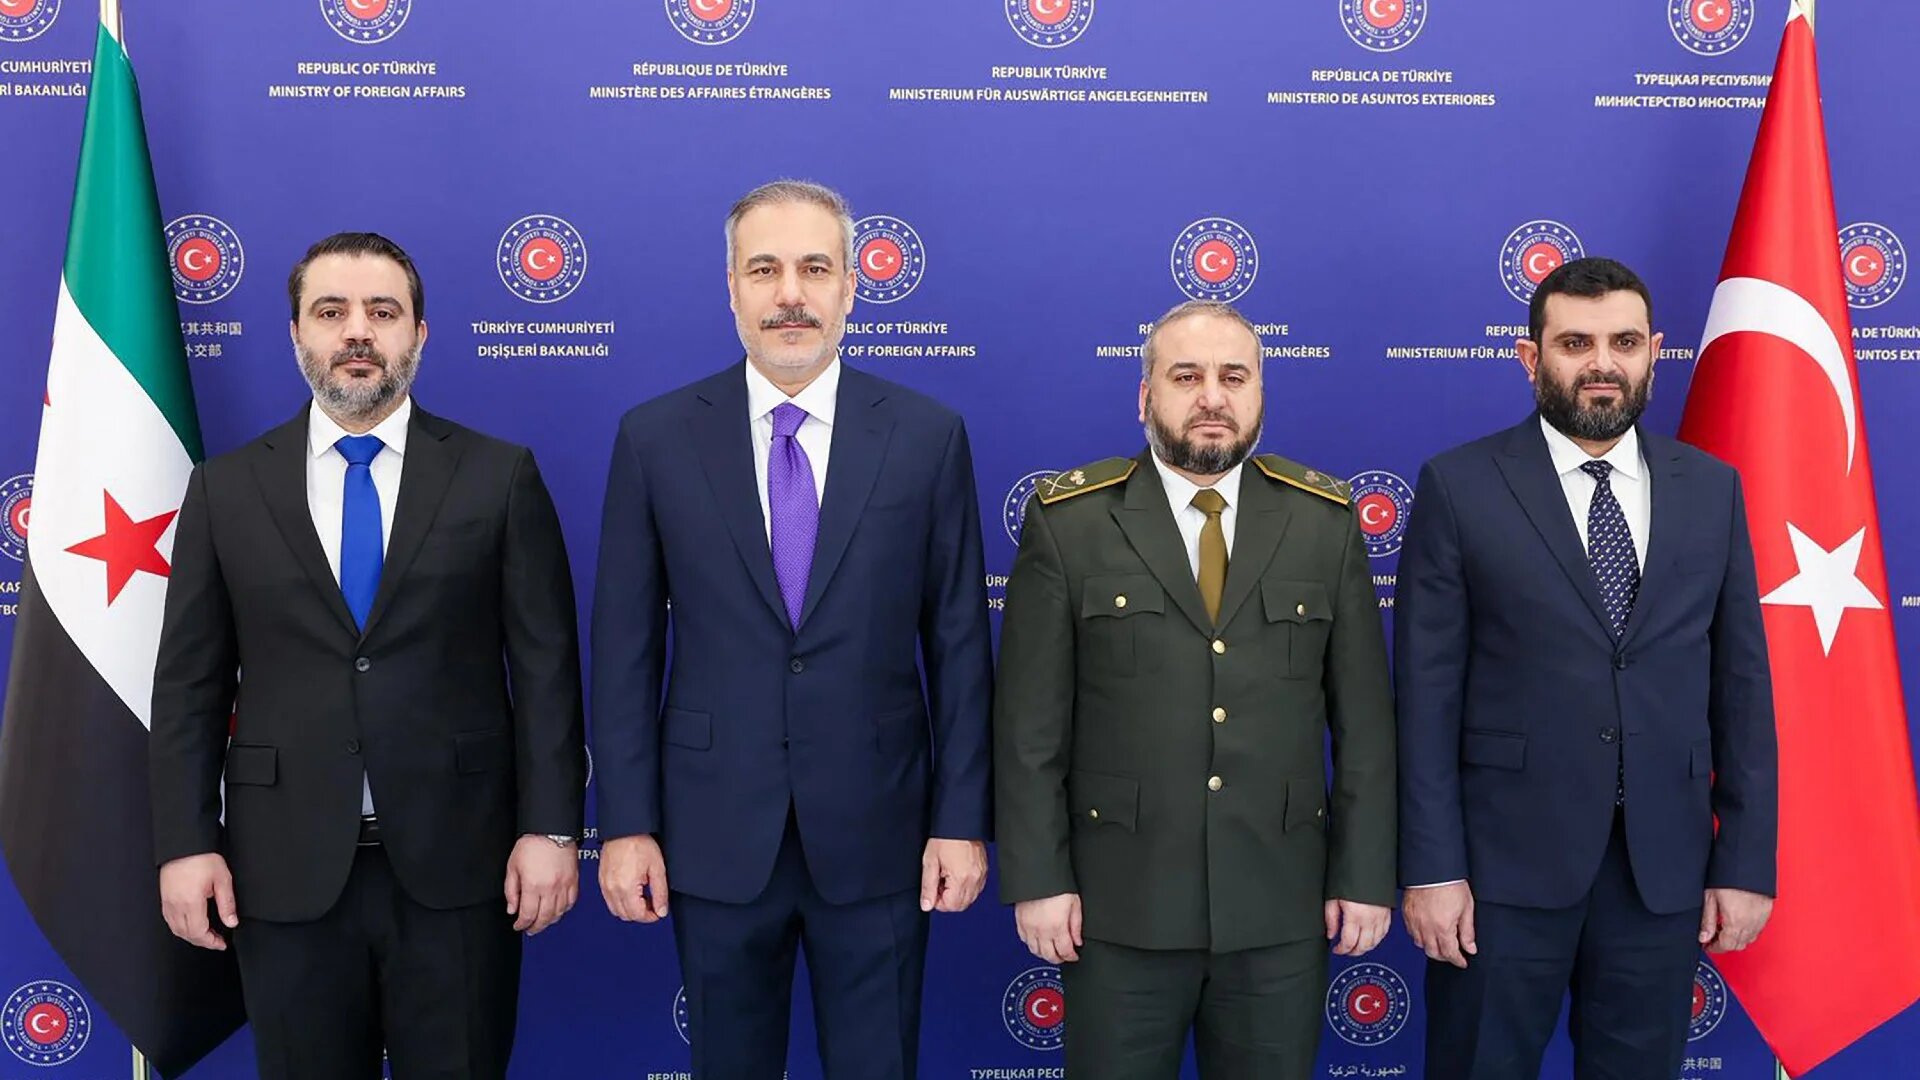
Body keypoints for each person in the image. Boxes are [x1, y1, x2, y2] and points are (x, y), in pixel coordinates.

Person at [150, 232, 586, 1080]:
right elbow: (190, 687)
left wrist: (552, 828)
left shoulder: (498, 477)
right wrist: (184, 841)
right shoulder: (226, 490)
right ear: (296, 335)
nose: (358, 332)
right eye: (332, 312)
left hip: (462, 870)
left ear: (419, 335)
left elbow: (546, 675)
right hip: (281, 874)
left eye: (382, 313)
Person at [591, 179, 994, 1079]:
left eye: (815, 268)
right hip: (712, 833)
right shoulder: (655, 438)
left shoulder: (927, 437)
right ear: (730, 287)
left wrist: (961, 819)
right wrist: (625, 824)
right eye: (764, 269)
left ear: (852, 286)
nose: (790, 295)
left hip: (881, 832)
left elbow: (961, 645)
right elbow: (623, 652)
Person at [994, 299, 1397, 1079]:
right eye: (1187, 376)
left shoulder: (1325, 520)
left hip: (1279, 909)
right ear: (1145, 397)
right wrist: (1040, 879)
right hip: (1119, 911)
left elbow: (1366, 727)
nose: (1212, 396)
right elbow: (1028, 727)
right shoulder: (1070, 522)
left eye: (1233, 376)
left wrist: (1364, 875)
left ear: (1259, 395)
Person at [1396, 257, 1777, 1079]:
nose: (1601, 362)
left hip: (1661, 874)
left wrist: (1743, 862)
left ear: (1654, 353)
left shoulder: (1711, 489)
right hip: (1499, 875)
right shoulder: (1460, 487)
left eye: (1624, 342)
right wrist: (1433, 867)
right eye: (1575, 342)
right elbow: (1424, 698)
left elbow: (1740, 687)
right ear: (1532, 359)